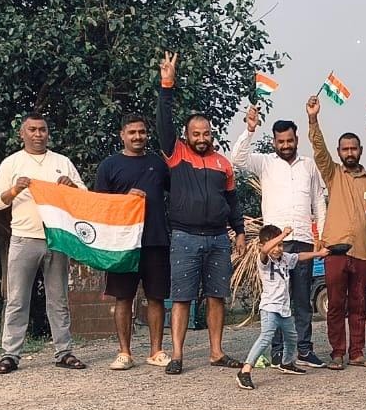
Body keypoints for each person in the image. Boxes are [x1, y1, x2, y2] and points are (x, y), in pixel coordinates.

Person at [157, 51, 246, 375]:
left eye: (206, 133)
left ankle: (216, 352)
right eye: (196, 134)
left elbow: (234, 202)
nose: (202, 138)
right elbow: (163, 121)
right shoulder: (176, 154)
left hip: (219, 239)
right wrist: (167, 84)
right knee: (181, 298)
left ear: (212, 134)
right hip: (184, 237)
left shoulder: (224, 163)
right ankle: (177, 355)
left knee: (216, 297)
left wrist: (240, 232)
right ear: (186, 135)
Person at [0, 113, 89, 374]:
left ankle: (64, 351)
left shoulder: (62, 162)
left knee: (58, 299)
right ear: (22, 134)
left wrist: (71, 187)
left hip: (57, 238)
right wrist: (15, 190)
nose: (37, 134)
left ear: (48, 133)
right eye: (32, 130)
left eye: (42, 130)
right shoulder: (12, 163)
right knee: (17, 299)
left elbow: (84, 196)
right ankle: (10, 354)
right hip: (24, 238)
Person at [231, 105, 327, 369]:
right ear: (274, 141)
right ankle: (277, 353)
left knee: (302, 299)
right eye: (281, 141)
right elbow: (237, 160)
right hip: (274, 245)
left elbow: (319, 201)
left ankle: (304, 350)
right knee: (276, 299)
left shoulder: (308, 165)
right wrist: (250, 130)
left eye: (290, 140)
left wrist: (321, 234)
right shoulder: (264, 163)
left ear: (297, 139)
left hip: (305, 239)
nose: (285, 145)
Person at [302, 95, 366, 370]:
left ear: (360, 150)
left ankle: (357, 353)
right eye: (345, 149)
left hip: (363, 252)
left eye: (353, 148)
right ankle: (337, 353)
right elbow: (318, 150)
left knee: (359, 304)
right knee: (336, 304)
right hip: (335, 251)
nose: (349, 153)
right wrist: (313, 119)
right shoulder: (333, 174)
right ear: (339, 152)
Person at [94, 114, 171, 370]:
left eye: (142, 132)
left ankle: (156, 351)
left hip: (155, 239)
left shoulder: (159, 164)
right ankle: (124, 352)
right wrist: (125, 199)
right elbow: (99, 206)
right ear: (122, 135)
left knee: (156, 297)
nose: (138, 137)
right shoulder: (109, 166)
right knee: (123, 298)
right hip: (122, 244)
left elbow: (176, 193)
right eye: (132, 133)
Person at [237, 226, 329, 390]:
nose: (279, 249)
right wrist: (283, 235)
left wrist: (318, 254)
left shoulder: (285, 258)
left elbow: (299, 256)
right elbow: (265, 249)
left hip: (284, 309)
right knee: (266, 336)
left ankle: (286, 363)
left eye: (281, 245)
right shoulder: (264, 260)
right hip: (269, 307)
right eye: (276, 244)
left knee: (292, 337)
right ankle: (245, 370)